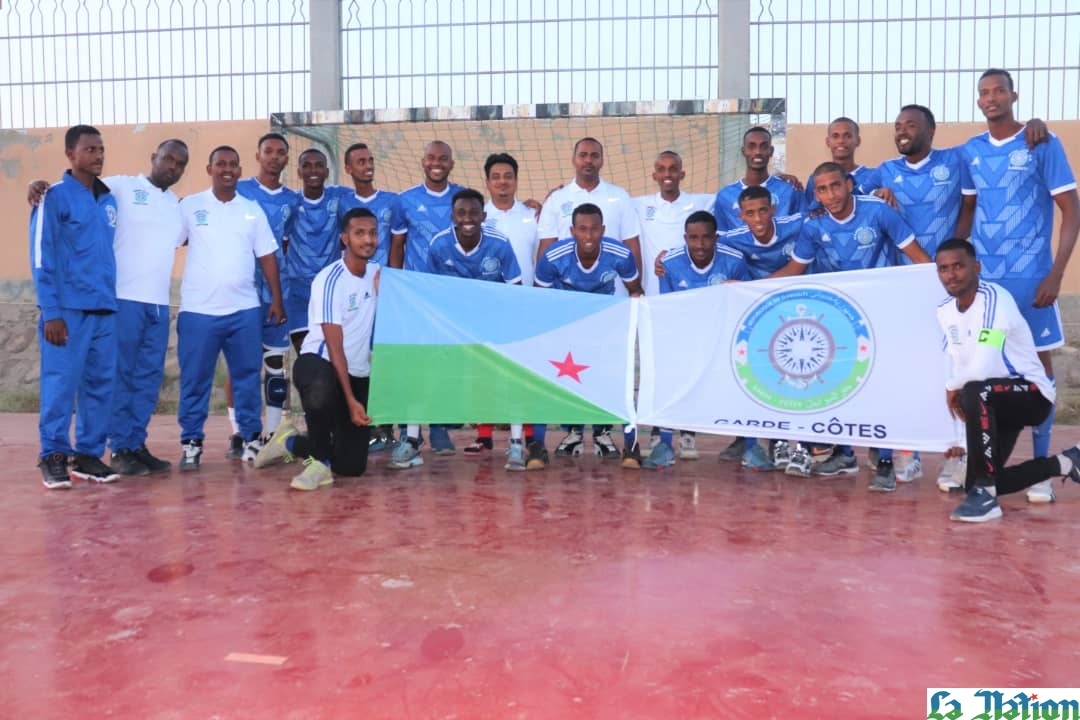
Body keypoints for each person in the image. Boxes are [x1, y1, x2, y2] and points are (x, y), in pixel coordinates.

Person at [27, 138, 190, 477]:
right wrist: (38, 185)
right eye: (168, 159)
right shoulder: (120, 187)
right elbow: (73, 186)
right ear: (154, 157)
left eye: (180, 164)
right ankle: (108, 447)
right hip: (120, 300)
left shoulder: (176, 205)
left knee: (144, 379)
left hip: (157, 304)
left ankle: (132, 443)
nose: (173, 167)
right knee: (114, 378)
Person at [771, 161, 931, 488]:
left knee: (881, 385)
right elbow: (794, 269)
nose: (830, 195)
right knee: (840, 384)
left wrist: (937, 292)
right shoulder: (813, 225)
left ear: (848, 185)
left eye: (835, 186)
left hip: (882, 310)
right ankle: (843, 454)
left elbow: (918, 257)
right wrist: (747, 289)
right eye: (822, 189)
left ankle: (885, 460)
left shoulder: (878, 211)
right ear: (814, 194)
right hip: (839, 315)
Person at [962, 68, 1080, 504]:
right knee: (989, 366)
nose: (991, 98)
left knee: (1039, 370)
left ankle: (1046, 470)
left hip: (1033, 284)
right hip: (989, 291)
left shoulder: (1040, 143)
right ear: (978, 101)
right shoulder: (971, 151)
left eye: (998, 91)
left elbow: (1071, 209)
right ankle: (982, 464)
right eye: (984, 93)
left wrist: (1057, 273)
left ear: (1014, 95)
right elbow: (962, 207)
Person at [934, 238, 1080, 522]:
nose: (951, 275)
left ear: (976, 267)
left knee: (974, 391)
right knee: (974, 481)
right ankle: (1065, 463)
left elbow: (981, 367)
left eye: (958, 266)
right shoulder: (945, 312)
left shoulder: (995, 301)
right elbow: (958, 363)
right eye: (943, 269)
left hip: (1030, 393)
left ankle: (987, 500)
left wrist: (952, 387)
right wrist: (959, 438)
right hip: (991, 401)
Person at [389, 189, 528, 471]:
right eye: (461, 213)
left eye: (474, 213)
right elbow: (432, 292)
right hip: (451, 325)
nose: (468, 218)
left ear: (483, 216)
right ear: (452, 216)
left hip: (491, 324)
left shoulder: (499, 244)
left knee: (512, 376)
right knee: (420, 372)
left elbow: (515, 290)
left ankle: (515, 445)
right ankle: (413, 441)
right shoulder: (440, 245)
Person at [176, 145, 285, 470]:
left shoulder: (251, 210)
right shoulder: (190, 206)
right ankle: (192, 443)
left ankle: (251, 437)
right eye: (220, 164)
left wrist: (276, 299)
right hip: (198, 312)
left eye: (232, 164)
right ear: (209, 169)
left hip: (244, 310)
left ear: (240, 170)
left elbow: (267, 256)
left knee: (248, 377)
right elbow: (163, 238)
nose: (227, 169)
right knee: (195, 379)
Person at [254, 207, 379, 490]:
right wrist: (350, 399)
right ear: (345, 239)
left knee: (352, 467)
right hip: (319, 361)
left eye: (372, 233)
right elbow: (334, 347)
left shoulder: (378, 275)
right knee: (321, 389)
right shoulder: (330, 279)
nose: (368, 239)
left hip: (357, 370)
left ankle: (289, 441)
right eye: (359, 233)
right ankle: (318, 464)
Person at [29, 125, 121, 488]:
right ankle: (52, 455)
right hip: (66, 311)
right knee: (61, 384)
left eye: (101, 149)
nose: (97, 155)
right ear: (71, 154)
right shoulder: (53, 197)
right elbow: (42, 256)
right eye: (89, 150)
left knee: (100, 385)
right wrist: (50, 311)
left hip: (104, 309)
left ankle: (87, 455)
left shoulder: (109, 199)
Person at [534, 203, 644, 467]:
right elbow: (538, 298)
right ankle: (548, 442)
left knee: (611, 378)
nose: (588, 235)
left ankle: (618, 439)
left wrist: (633, 330)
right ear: (572, 230)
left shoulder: (619, 254)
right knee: (557, 378)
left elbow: (635, 290)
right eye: (582, 229)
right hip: (564, 322)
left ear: (603, 230)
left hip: (603, 323)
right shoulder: (553, 256)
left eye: (595, 229)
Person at [647, 210, 749, 469]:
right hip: (684, 335)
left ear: (715, 238)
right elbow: (670, 309)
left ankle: (751, 445)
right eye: (693, 238)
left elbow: (743, 304)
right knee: (668, 372)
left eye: (706, 238)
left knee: (747, 374)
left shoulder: (734, 260)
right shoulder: (670, 263)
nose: (700, 245)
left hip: (722, 338)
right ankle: (664, 443)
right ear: (685, 238)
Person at [232, 133, 300, 456]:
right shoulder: (240, 190)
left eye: (280, 152)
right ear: (257, 156)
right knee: (242, 365)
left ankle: (273, 433)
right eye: (268, 151)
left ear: (287, 159)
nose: (274, 157)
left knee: (275, 364)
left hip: (277, 291)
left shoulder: (293, 200)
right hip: (241, 290)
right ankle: (239, 433)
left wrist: (279, 295)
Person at [335, 142, 403, 451]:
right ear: (348, 168)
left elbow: (398, 244)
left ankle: (387, 426)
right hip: (355, 293)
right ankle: (357, 421)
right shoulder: (339, 201)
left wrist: (395, 282)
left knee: (386, 361)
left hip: (384, 289)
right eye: (360, 161)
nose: (367, 165)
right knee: (357, 357)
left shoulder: (392, 201)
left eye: (370, 159)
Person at [536, 137, 643, 280]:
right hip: (568, 291)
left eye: (594, 156)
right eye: (583, 155)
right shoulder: (556, 199)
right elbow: (546, 250)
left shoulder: (620, 196)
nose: (588, 160)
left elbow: (632, 246)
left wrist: (635, 290)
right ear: (573, 160)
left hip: (613, 291)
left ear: (602, 161)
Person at [283, 148, 345, 353]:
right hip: (298, 292)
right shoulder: (291, 202)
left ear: (327, 171)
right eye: (307, 166)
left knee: (332, 354)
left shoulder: (339, 198)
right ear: (299, 172)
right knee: (307, 355)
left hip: (330, 290)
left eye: (319, 165)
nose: (313, 170)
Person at [635, 150, 715, 297]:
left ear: (682, 174)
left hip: (688, 286)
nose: (667, 174)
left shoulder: (701, 203)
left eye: (673, 169)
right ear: (654, 176)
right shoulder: (639, 205)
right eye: (661, 170)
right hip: (653, 289)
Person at [390, 140, 466, 271]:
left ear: (452, 164)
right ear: (423, 162)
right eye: (431, 158)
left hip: (455, 282)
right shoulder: (404, 200)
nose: (436, 163)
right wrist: (396, 282)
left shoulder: (465, 198)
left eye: (443, 159)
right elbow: (397, 246)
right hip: (418, 284)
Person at [713, 126, 806, 231]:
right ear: (743, 151)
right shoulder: (725, 195)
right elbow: (721, 236)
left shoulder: (790, 189)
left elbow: (805, 227)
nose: (757, 152)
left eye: (763, 147)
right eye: (751, 147)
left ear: (771, 151)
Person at [803, 117, 879, 208]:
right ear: (828, 142)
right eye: (835, 136)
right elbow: (810, 213)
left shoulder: (874, 175)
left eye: (847, 136)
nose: (841, 141)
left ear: (858, 141)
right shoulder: (816, 179)